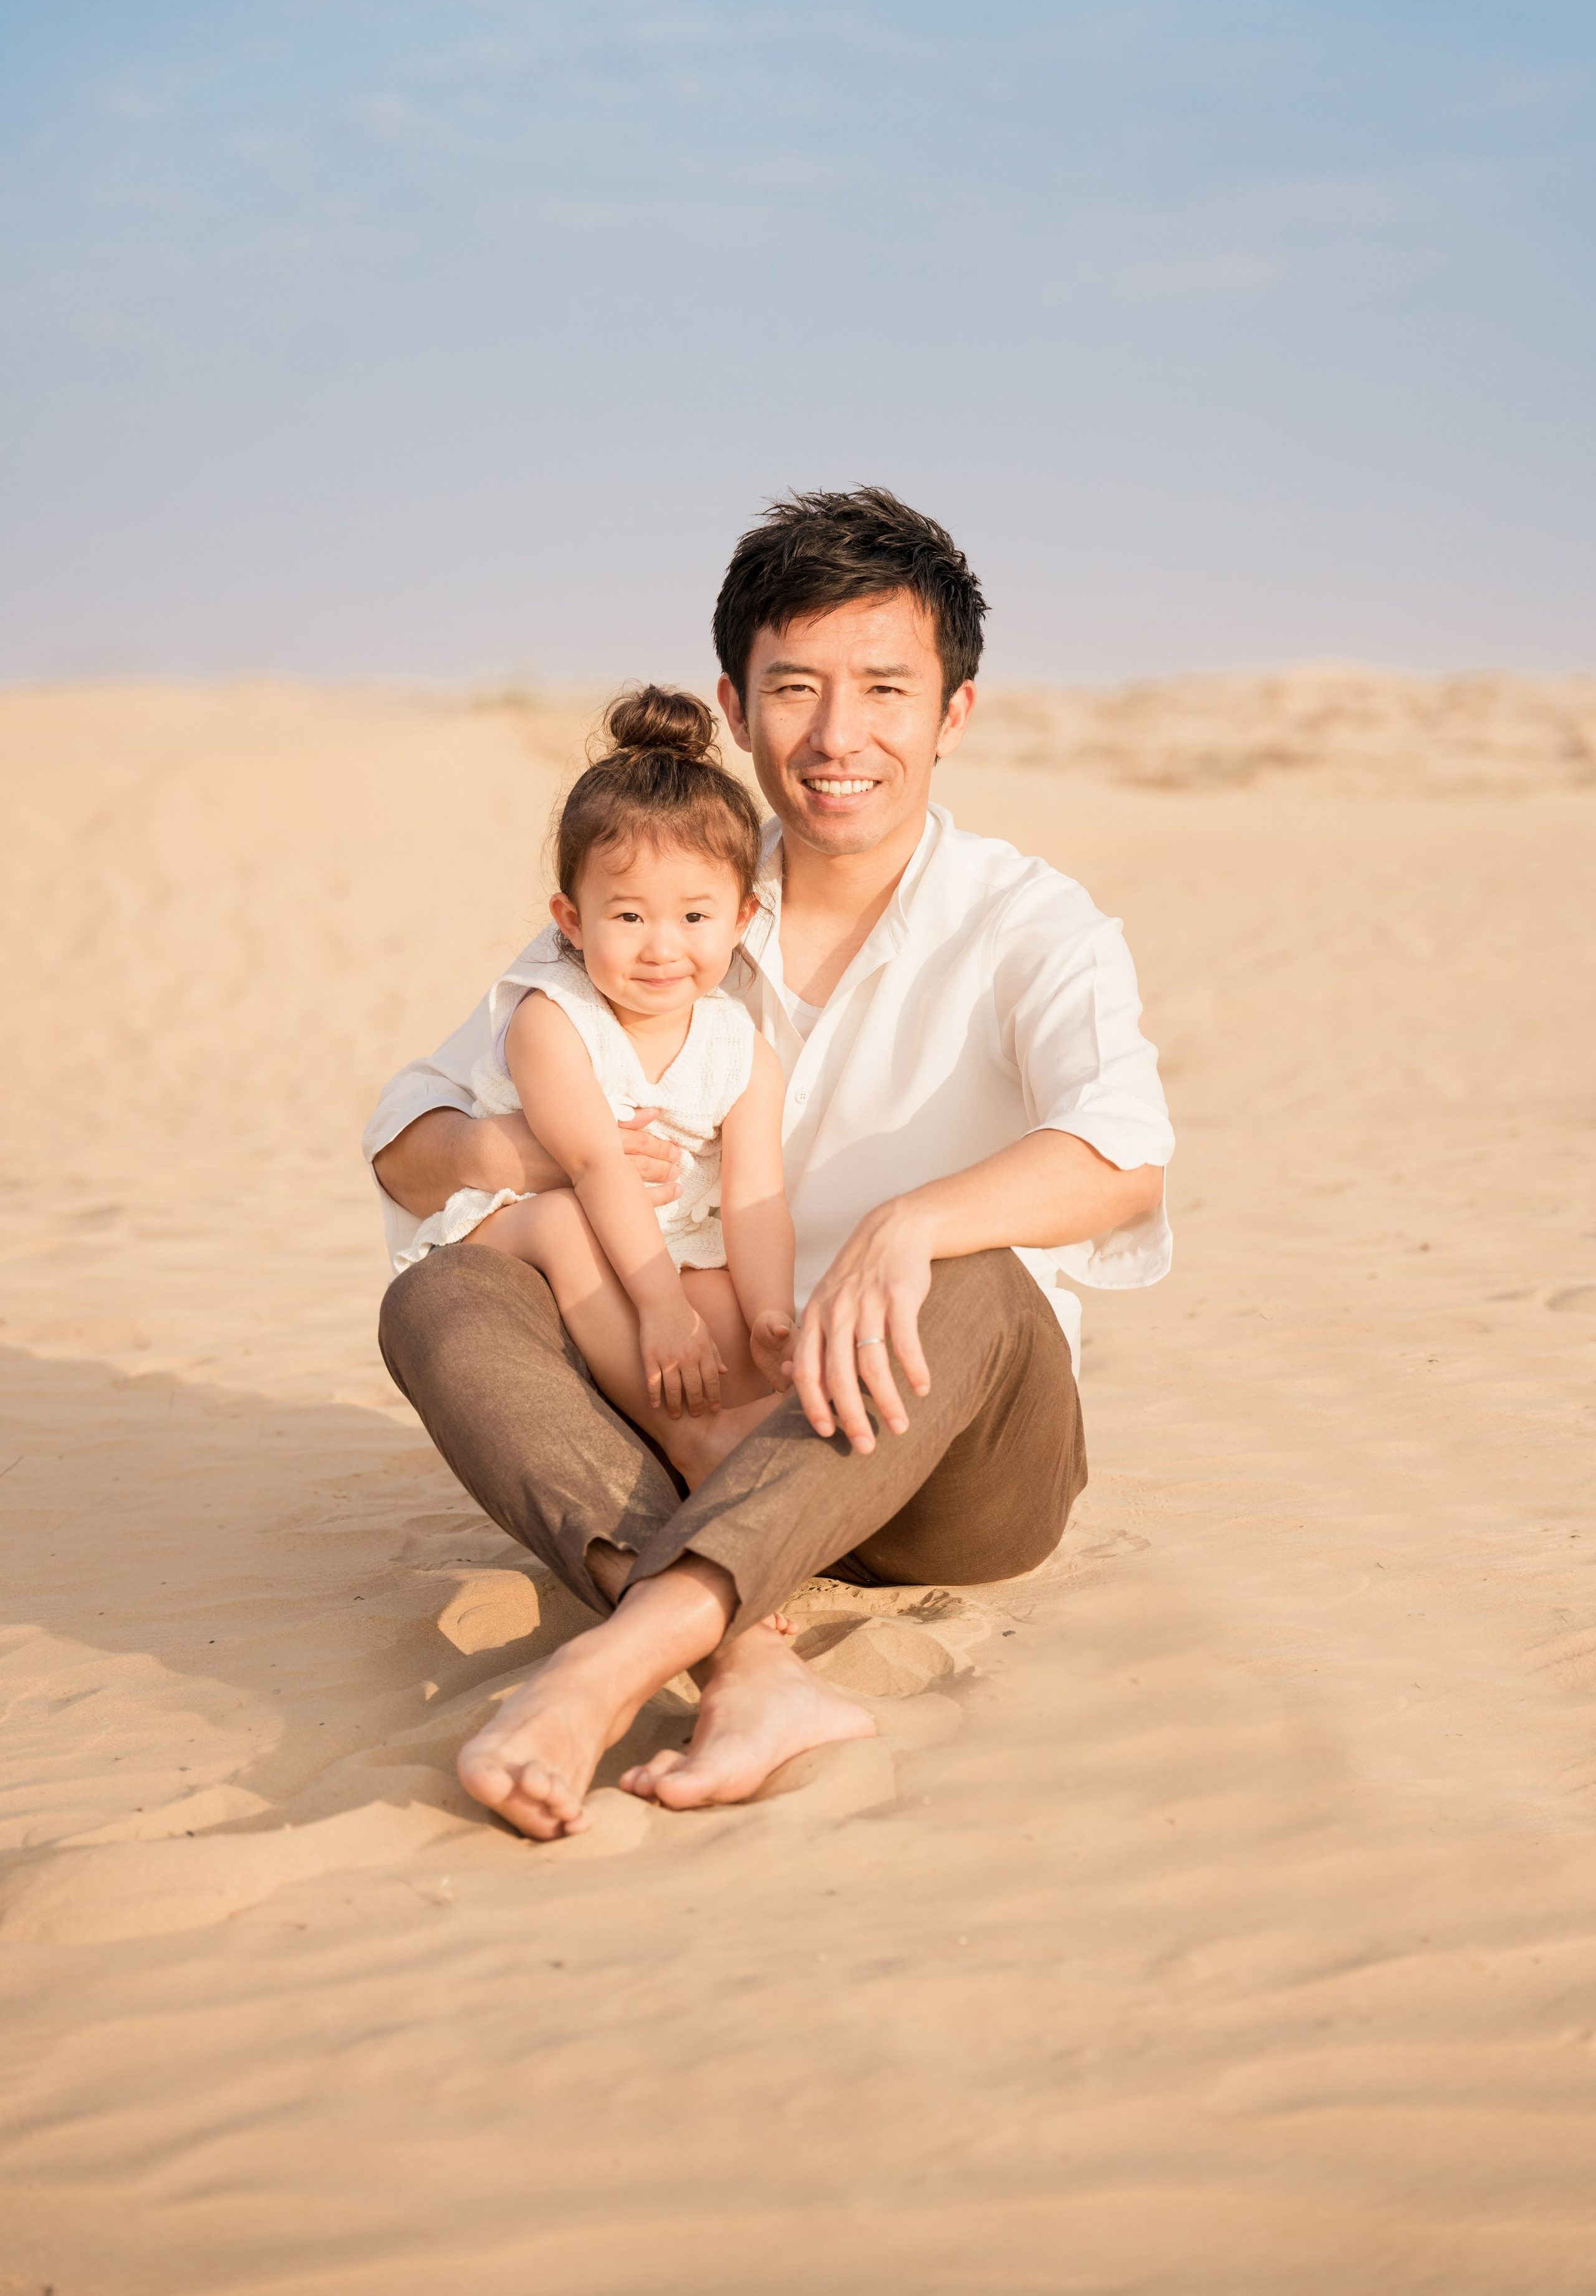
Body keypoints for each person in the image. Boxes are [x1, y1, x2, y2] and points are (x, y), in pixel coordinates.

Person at [367, 487, 1174, 1841]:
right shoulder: (672, 903)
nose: (837, 735)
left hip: (932, 1459)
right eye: (793, 686)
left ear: (950, 716)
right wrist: (508, 1143)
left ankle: (612, 1664)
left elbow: (1125, 1155)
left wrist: (910, 1226)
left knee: (964, 1273)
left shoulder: (1030, 926)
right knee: (438, 1294)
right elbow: (406, 1156)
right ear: (736, 709)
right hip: (687, 1422)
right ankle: (749, 1663)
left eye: (883, 689)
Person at [392, 684, 798, 1491]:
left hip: (658, 1243)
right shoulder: (554, 1020)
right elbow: (595, 1167)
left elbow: (758, 1195)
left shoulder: (742, 1049)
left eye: (694, 916)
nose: (661, 947)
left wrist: (768, 1315)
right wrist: (659, 1310)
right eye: (628, 917)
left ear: (743, 917)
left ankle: (734, 1464)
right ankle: (688, 1440)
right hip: (526, 1232)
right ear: (570, 920)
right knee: (571, 1221)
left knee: (722, 1309)